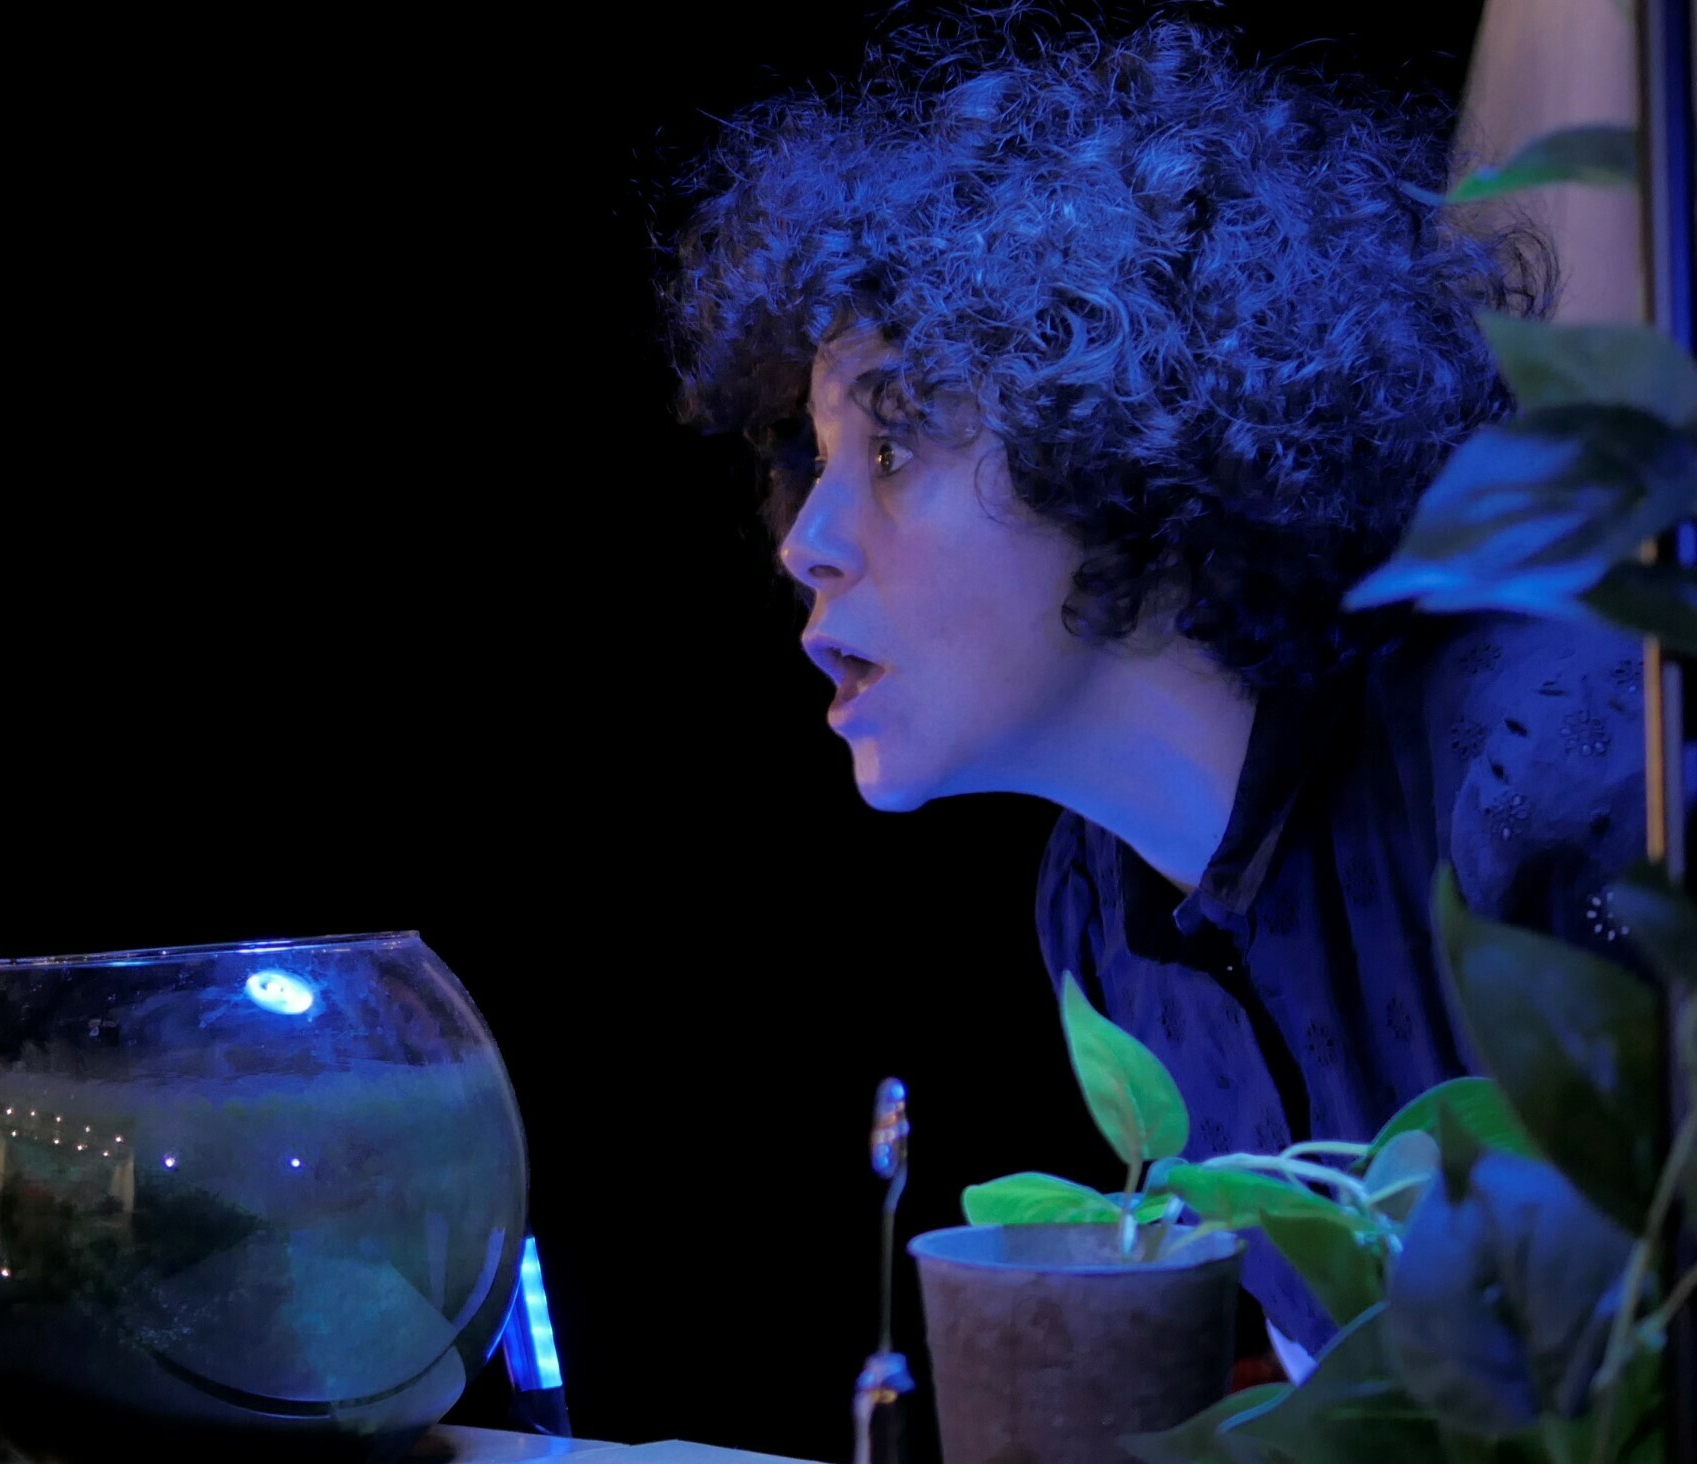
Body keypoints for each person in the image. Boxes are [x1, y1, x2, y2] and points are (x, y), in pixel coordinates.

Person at [663, 13, 1647, 1360]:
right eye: (815, 462)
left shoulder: (1543, 767)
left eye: (890, 444)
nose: (804, 544)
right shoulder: (1095, 913)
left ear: (1117, 429)